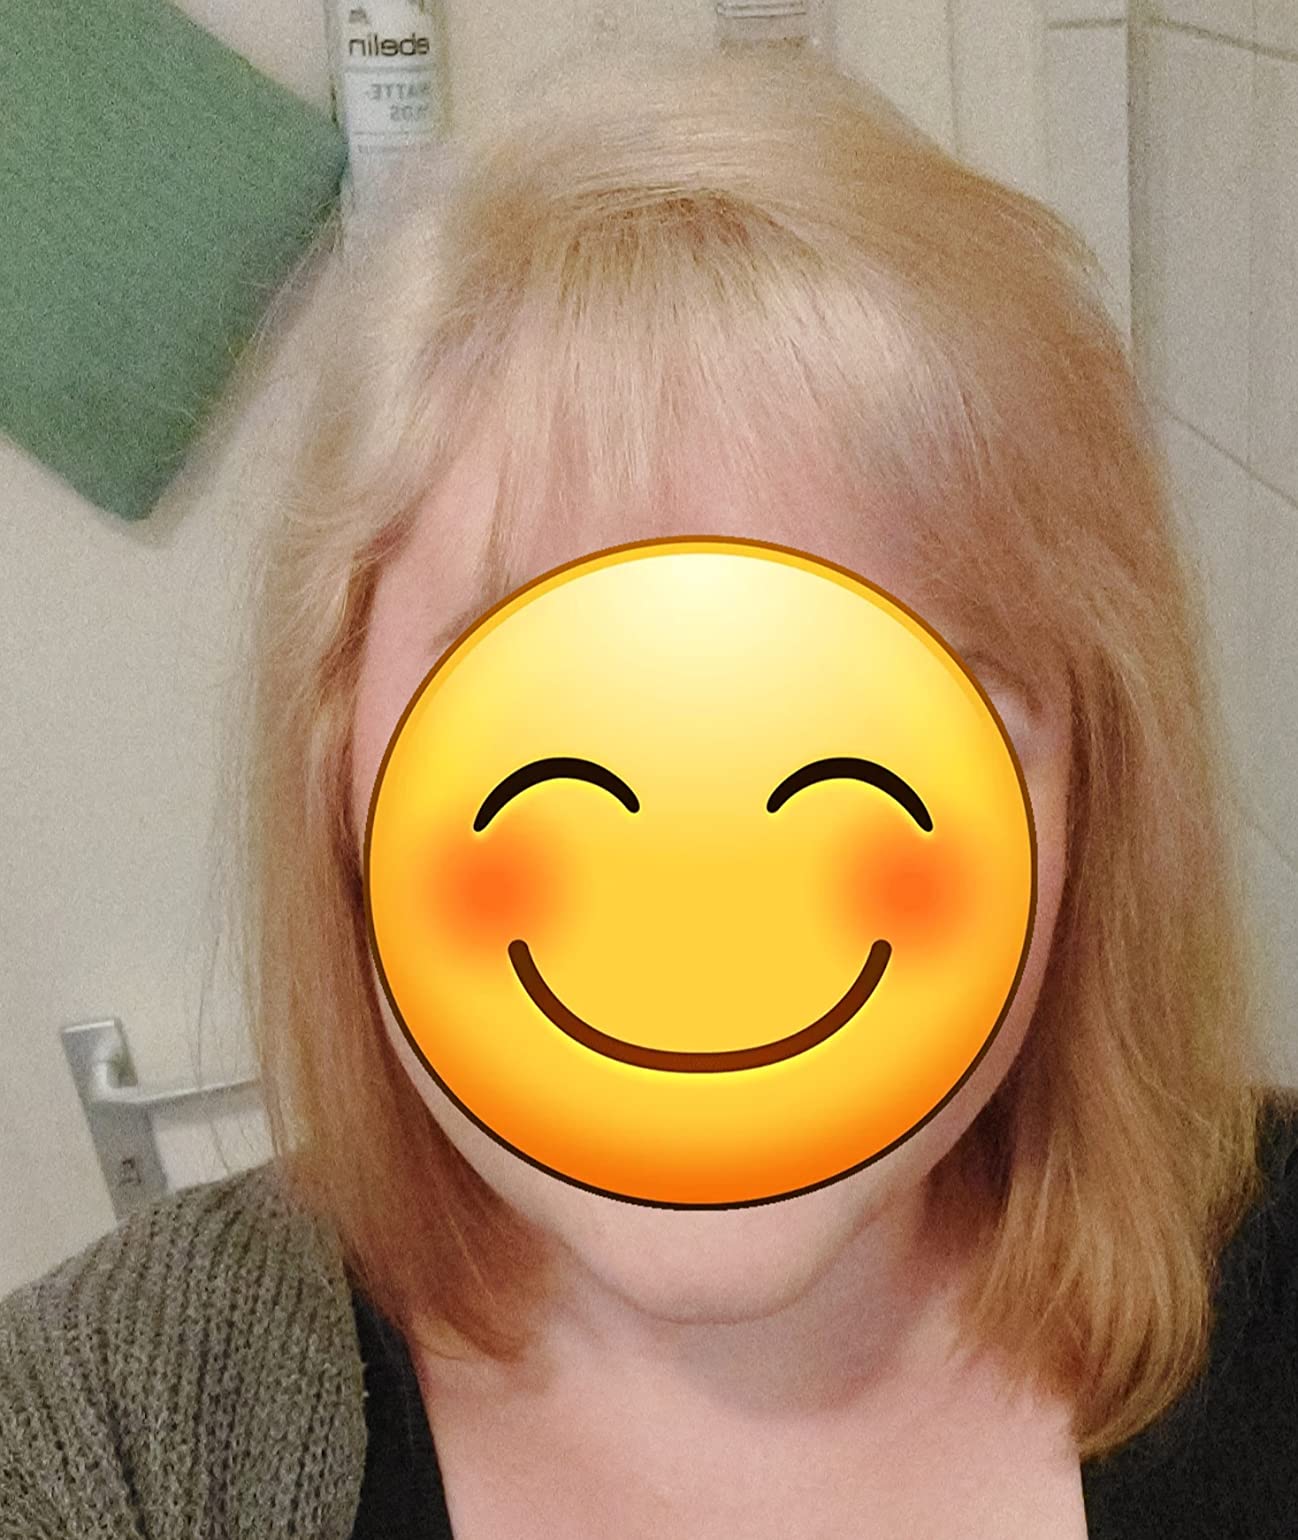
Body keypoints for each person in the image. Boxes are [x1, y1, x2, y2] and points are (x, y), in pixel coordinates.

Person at [2, 42, 1295, 1540]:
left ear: (1083, 795)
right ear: (340, 768)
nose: (704, 911)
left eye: (878, 725)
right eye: (548, 717)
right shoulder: (105, 1426)